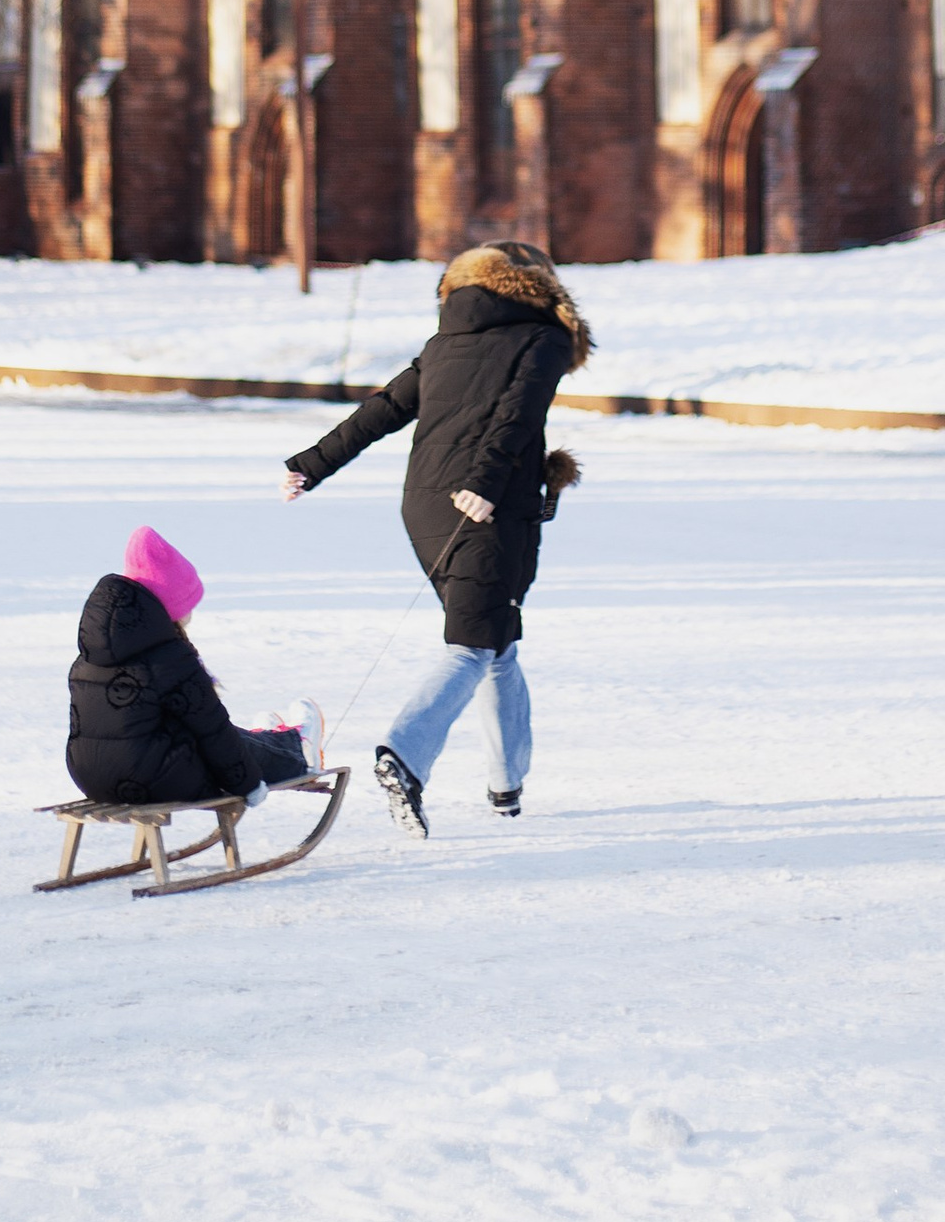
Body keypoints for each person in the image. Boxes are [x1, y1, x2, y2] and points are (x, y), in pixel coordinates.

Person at [282, 240, 586, 838]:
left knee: (497, 641)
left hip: (423, 508)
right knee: (473, 645)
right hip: (487, 510)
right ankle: (405, 756)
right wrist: (486, 483)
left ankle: (507, 785)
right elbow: (518, 414)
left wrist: (313, 463)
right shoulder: (544, 339)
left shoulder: (445, 342)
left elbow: (382, 409)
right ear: (542, 287)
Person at [64, 525, 323, 810]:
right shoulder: (170, 658)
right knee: (227, 742)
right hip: (155, 780)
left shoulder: (90, 655)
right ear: (169, 606)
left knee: (214, 738)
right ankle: (298, 746)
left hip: (92, 778)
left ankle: (268, 740)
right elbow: (212, 731)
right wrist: (248, 785)